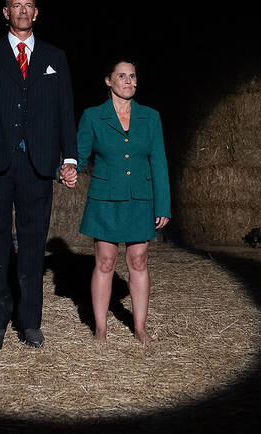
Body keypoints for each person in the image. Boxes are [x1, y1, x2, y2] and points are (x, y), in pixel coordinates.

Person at [0, 0, 78, 350]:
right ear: (6, 12)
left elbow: (65, 110)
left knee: (32, 246)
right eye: (17, 5)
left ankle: (30, 322)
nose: (23, 10)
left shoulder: (54, 57)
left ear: (36, 12)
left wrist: (70, 158)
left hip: (38, 165)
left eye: (29, 5)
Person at [73, 59, 170, 343]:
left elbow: (159, 162)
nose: (129, 81)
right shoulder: (93, 116)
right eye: (122, 76)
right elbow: (79, 155)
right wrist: (67, 169)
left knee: (138, 260)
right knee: (105, 261)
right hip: (106, 198)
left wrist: (163, 204)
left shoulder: (150, 117)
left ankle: (140, 328)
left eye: (133, 76)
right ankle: (101, 329)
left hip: (140, 198)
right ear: (108, 80)